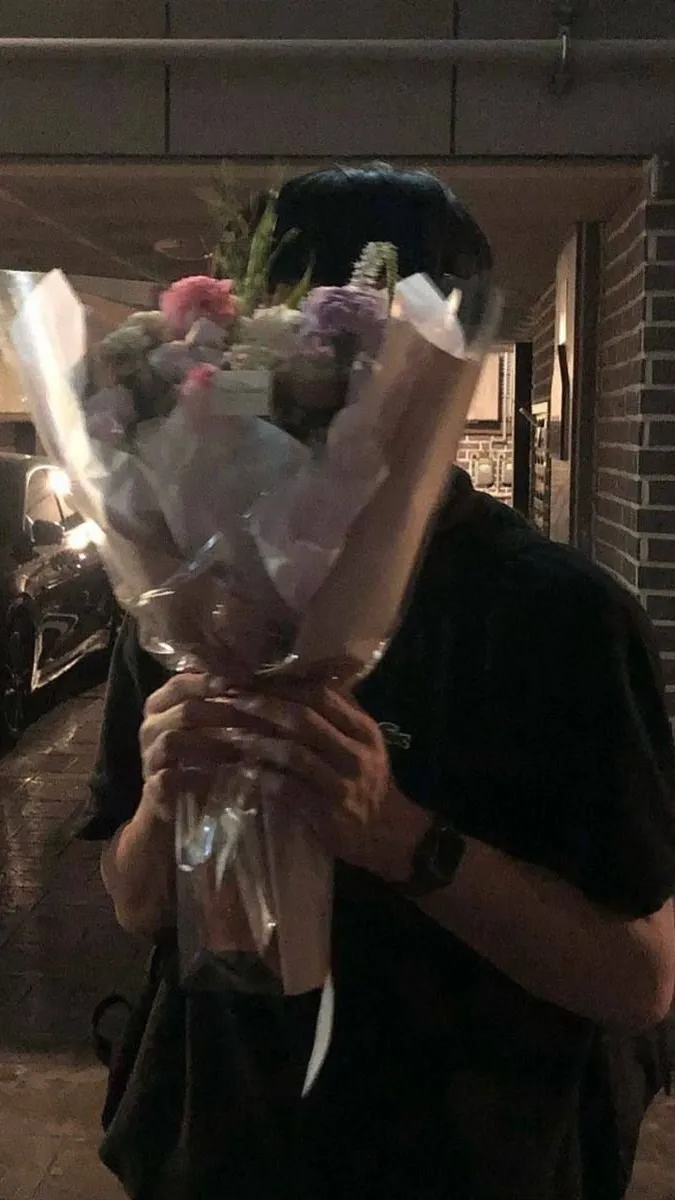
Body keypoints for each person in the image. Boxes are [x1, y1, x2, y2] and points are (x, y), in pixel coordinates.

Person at [81, 164, 675, 1200]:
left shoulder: (557, 617)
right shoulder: (192, 589)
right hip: (212, 1146)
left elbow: (638, 980)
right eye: (267, 343)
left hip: (466, 1159)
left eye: (346, 355)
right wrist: (163, 805)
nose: (310, 391)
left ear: (441, 369)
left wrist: (401, 837)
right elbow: (136, 906)